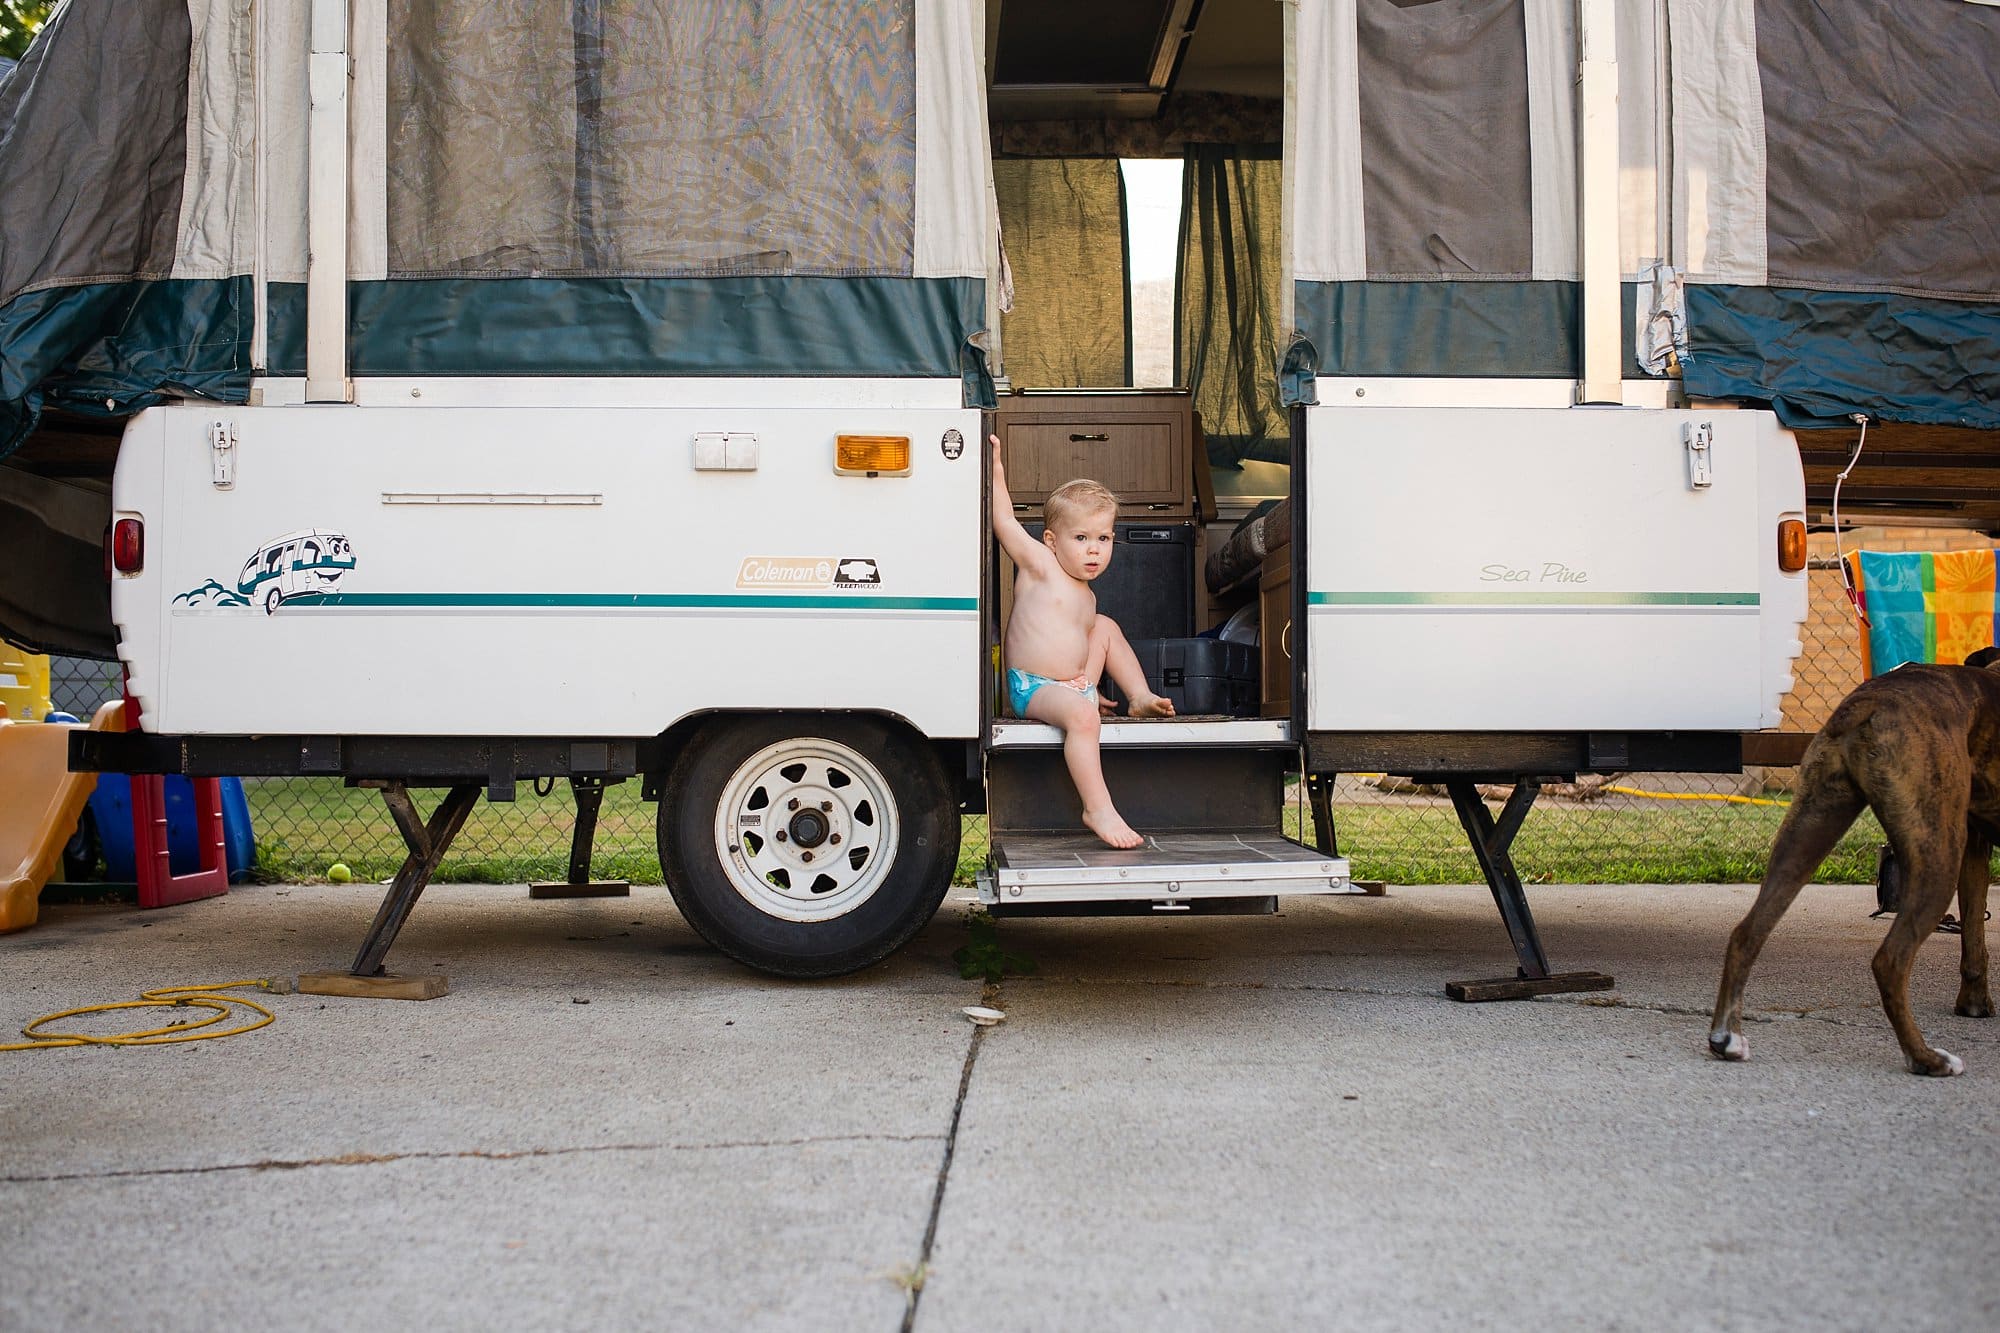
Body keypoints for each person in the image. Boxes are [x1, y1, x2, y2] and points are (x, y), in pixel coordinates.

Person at [991, 434, 1175, 848]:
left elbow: (1082, 645)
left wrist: (1086, 689)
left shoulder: (1087, 594)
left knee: (1105, 626)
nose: (1094, 551)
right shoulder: (1039, 565)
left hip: (1075, 684)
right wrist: (996, 468)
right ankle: (1098, 808)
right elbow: (1003, 521)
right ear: (1052, 541)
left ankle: (1139, 696)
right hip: (1034, 688)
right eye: (1081, 539)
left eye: (1103, 539)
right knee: (1084, 718)